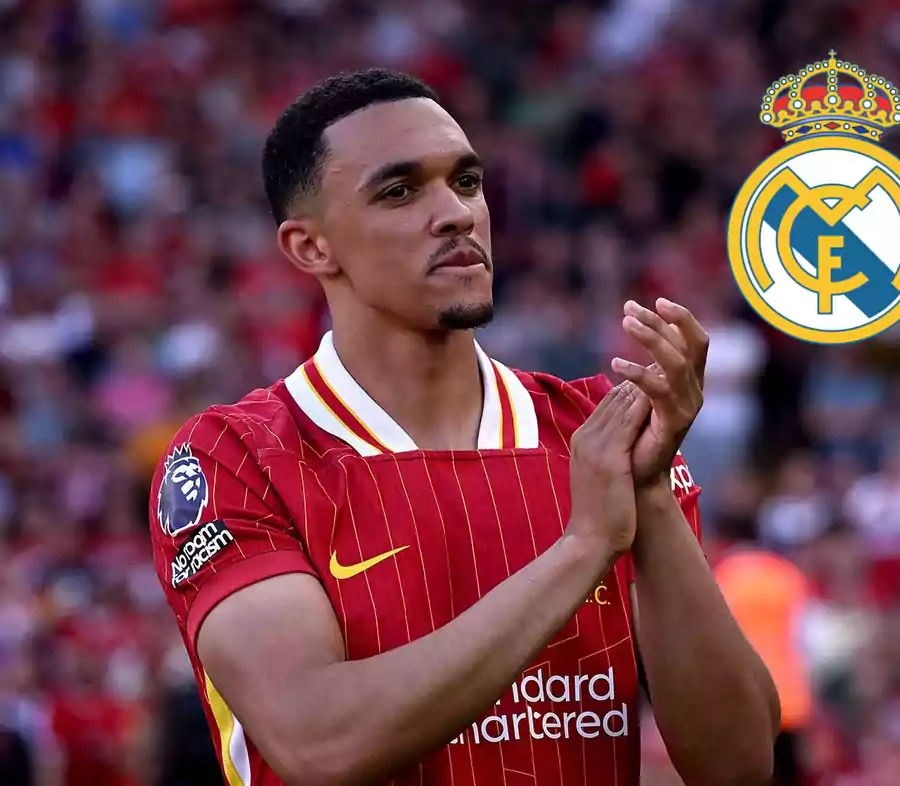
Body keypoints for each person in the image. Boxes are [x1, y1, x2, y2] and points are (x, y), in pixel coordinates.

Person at [147, 69, 780, 786]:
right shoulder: (236, 456)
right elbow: (319, 745)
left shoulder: (596, 433)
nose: (454, 213)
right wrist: (584, 547)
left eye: (467, 182)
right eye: (399, 191)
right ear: (311, 248)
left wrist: (654, 500)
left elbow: (739, 768)